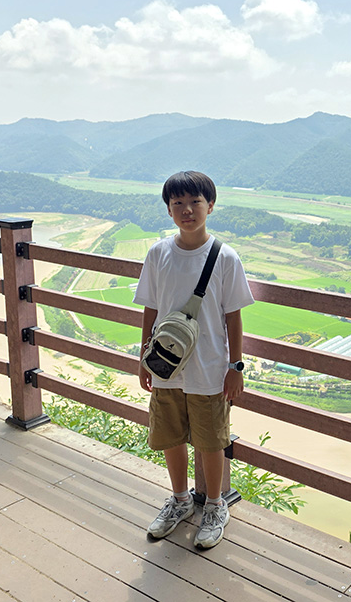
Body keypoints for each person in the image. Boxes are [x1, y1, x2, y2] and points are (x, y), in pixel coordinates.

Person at [133, 170, 253, 549]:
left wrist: (235, 367)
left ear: (210, 206)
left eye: (195, 202)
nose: (187, 210)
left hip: (211, 367)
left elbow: (234, 317)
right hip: (165, 366)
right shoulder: (158, 254)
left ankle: (215, 506)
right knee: (170, 436)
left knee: (210, 440)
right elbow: (150, 308)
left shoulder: (225, 258)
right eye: (178, 203)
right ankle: (180, 500)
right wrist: (143, 357)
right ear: (169, 210)